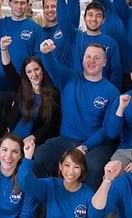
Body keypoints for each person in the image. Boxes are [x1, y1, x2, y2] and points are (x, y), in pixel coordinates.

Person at [33, 40, 118, 190]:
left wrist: (85, 147)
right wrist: (46, 52)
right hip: (66, 140)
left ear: (104, 62)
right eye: (88, 56)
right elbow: (52, 66)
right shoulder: (68, 78)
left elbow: (107, 129)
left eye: (97, 58)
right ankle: (44, 205)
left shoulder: (111, 92)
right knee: (38, 157)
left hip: (96, 145)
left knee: (93, 167)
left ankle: (87, 209)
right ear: (83, 58)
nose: (91, 61)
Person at [54, 0, 122, 89]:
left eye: (98, 16)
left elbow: (116, 75)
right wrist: (61, 0)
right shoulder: (76, 37)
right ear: (84, 18)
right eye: (90, 15)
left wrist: (114, 99)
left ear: (103, 20)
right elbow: (64, 22)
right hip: (78, 89)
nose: (94, 19)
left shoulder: (111, 43)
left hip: (101, 94)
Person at [0, 37, 61, 146]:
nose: (34, 74)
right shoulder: (21, 88)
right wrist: (3, 48)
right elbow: (8, 68)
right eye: (29, 72)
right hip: (12, 138)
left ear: (42, 69)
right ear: (26, 75)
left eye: (36, 69)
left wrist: (33, 138)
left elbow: (51, 125)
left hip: (34, 142)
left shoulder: (54, 94)